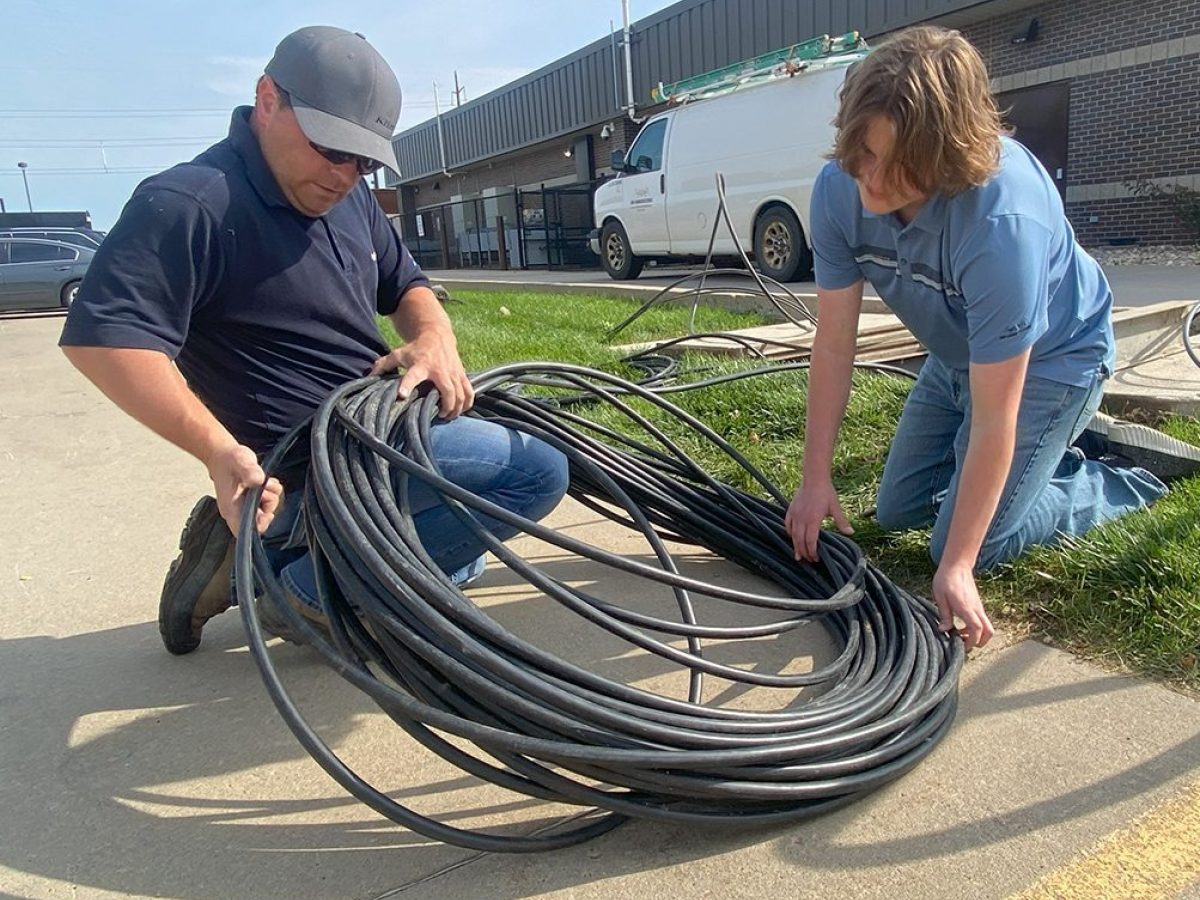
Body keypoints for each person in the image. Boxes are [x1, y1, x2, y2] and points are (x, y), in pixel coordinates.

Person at [60, 26, 568, 654]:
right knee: (535, 474)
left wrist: (435, 337)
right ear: (267, 99)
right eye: (332, 148)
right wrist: (218, 453)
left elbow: (407, 283)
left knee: (464, 560)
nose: (346, 174)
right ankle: (291, 590)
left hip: (379, 428)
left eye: (365, 160)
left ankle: (267, 552)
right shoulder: (190, 202)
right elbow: (104, 341)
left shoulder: (349, 200)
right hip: (316, 461)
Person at [784, 26, 1198, 651]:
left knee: (971, 541)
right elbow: (835, 345)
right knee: (898, 512)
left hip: (1052, 365)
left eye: (894, 168)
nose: (869, 185)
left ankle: (1117, 478)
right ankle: (1051, 456)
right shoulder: (840, 190)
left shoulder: (1004, 220)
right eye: (861, 156)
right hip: (956, 357)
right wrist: (815, 477)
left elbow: (995, 415)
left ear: (945, 155)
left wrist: (957, 566)